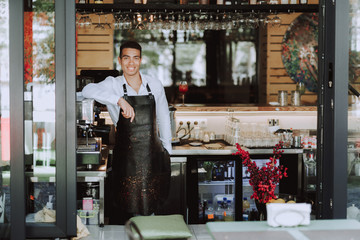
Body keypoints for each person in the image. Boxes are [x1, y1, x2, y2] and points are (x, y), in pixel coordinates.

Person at [82, 40, 172, 224]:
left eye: (135, 58)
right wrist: (119, 100)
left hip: (152, 157)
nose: (131, 63)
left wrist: (167, 151)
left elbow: (163, 118)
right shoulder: (112, 84)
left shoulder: (154, 85)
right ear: (120, 60)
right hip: (127, 159)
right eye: (126, 58)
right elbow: (87, 90)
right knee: (126, 210)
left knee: (150, 209)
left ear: (141, 60)